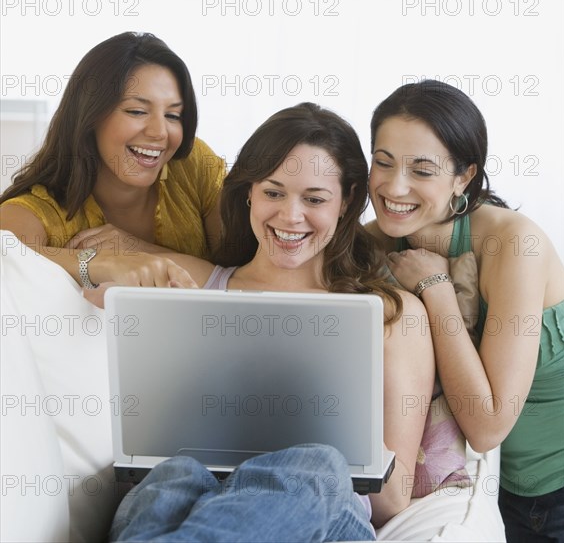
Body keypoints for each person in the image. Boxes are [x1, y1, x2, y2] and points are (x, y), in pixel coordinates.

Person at [108, 102, 435, 541]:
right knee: (174, 472)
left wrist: (333, 422)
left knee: (315, 462)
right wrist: (106, 281)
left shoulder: (392, 315)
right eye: (273, 192)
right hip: (205, 496)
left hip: (323, 515)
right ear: (249, 192)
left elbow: (393, 499)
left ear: (347, 201)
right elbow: (27, 255)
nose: (290, 216)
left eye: (314, 198)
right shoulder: (194, 284)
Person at [366, 79, 564, 542]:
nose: (395, 186)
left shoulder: (514, 242)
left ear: (464, 176)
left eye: (422, 169)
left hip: (555, 495)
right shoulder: (374, 244)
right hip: (471, 494)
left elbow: (487, 425)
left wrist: (436, 290)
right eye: (383, 161)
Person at [0, 32, 225, 290]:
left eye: (173, 115)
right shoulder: (35, 211)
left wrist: (136, 249)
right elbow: (6, 261)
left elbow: (248, 278)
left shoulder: (190, 166)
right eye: (137, 111)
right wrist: (100, 263)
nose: (160, 132)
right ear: (90, 115)